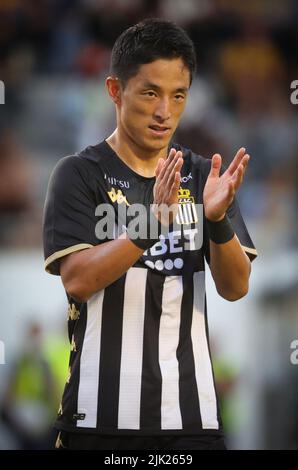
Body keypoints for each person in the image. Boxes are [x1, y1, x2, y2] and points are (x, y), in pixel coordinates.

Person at [43, 18, 257, 451]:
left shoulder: (203, 177)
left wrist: (216, 219)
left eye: (178, 95)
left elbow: (235, 288)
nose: (164, 111)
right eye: (150, 93)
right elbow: (79, 281)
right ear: (114, 91)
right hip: (97, 425)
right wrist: (150, 226)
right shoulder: (79, 173)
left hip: (192, 424)